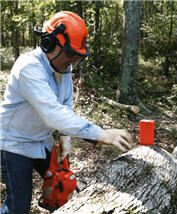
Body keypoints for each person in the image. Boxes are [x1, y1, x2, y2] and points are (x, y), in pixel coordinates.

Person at [0, 11, 134, 214]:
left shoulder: (63, 70)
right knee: (18, 207)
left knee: (64, 188)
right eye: (69, 53)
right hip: (15, 144)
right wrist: (100, 134)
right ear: (49, 43)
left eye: (75, 55)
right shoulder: (29, 68)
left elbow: (65, 104)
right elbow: (52, 113)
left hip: (42, 141)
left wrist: (64, 137)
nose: (72, 60)